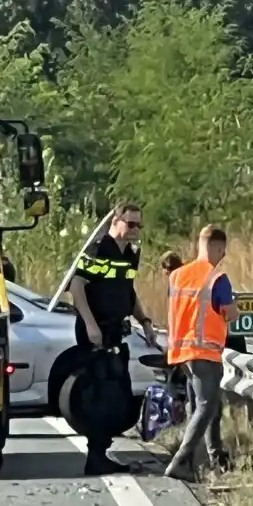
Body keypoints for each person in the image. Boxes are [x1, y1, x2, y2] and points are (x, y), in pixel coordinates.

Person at [69, 203, 157, 476]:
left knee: (118, 394)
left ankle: (101, 454)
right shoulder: (98, 248)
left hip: (116, 332)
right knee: (101, 396)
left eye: (138, 225)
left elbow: (128, 292)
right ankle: (95, 458)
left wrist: (144, 321)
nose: (135, 231)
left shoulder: (130, 254)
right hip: (96, 333)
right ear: (116, 222)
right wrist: (91, 325)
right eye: (130, 224)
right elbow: (77, 286)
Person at [164, 225, 239, 482]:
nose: (223, 256)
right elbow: (229, 312)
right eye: (223, 250)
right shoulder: (217, 278)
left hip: (181, 352)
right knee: (207, 406)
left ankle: (211, 456)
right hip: (204, 351)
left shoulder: (177, 276)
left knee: (200, 404)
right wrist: (235, 310)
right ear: (216, 246)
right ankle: (181, 460)